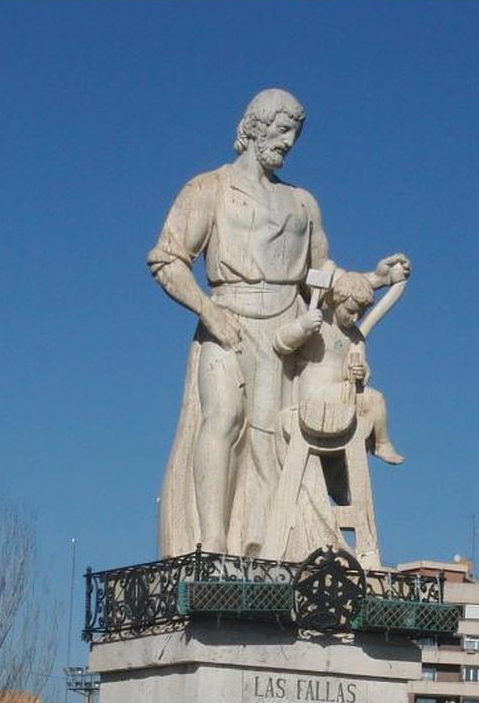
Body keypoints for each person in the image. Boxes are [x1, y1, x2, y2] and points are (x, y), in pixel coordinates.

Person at [149, 88, 408, 558]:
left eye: (295, 135)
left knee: (273, 440)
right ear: (255, 127)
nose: (289, 143)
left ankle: (269, 547)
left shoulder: (302, 203)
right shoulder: (208, 188)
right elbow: (167, 260)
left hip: (286, 332)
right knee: (223, 418)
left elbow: (323, 275)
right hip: (227, 319)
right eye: (283, 130)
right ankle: (212, 544)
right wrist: (209, 311)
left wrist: (375, 277)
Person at [271, 267, 407, 464]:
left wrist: (359, 371)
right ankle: (378, 444)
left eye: (360, 313)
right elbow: (281, 343)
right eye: (350, 311)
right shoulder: (318, 321)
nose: (355, 318)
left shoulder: (354, 336)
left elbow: (360, 364)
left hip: (341, 392)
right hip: (313, 393)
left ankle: (381, 444)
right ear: (337, 302)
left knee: (376, 400)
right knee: (372, 400)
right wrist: (303, 327)